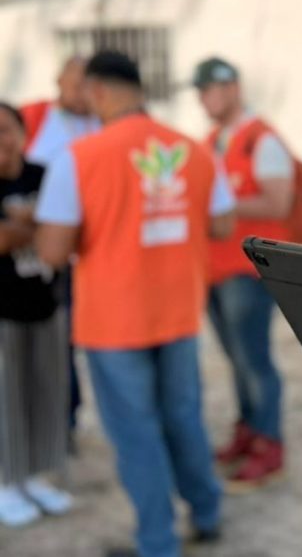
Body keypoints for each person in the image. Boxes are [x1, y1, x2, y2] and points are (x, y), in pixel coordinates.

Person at [34, 51, 235, 557]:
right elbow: (222, 224)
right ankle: (206, 513)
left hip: (113, 322)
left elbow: (52, 252)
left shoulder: (78, 158)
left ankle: (157, 542)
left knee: (136, 434)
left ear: (98, 90)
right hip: (178, 311)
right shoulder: (193, 149)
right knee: (184, 417)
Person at [192, 56, 292, 491]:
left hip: (247, 271)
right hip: (214, 268)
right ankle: (248, 432)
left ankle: (269, 445)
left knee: (255, 360)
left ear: (232, 88)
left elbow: (278, 203)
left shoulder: (261, 139)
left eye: (211, 89)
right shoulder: (211, 141)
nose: (205, 99)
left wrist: (219, 206)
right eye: (200, 91)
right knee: (236, 360)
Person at [20, 55, 100, 442]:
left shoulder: (106, 120)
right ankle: (62, 421)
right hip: (48, 252)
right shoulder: (34, 118)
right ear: (59, 82)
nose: (82, 93)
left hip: (96, 252)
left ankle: (72, 415)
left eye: (89, 85)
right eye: (75, 85)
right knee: (56, 342)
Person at [0, 102, 72, 528]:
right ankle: (6, 481)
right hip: (3, 313)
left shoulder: (44, 175)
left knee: (45, 393)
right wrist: (42, 229)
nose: (1, 140)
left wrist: (23, 229)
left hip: (45, 304)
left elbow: (71, 230)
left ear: (23, 133)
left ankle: (37, 475)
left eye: (6, 129)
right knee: (6, 398)